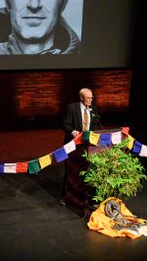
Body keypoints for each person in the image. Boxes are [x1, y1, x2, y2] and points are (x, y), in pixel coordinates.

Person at [61, 87, 101, 217]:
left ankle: (89, 198)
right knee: (71, 170)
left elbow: (96, 125)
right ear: (81, 98)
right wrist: (73, 131)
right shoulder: (71, 108)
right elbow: (65, 124)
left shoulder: (93, 109)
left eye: (91, 98)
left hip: (88, 145)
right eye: (88, 98)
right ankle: (65, 197)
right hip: (73, 144)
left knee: (88, 170)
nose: (91, 100)